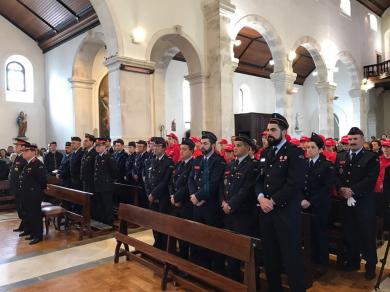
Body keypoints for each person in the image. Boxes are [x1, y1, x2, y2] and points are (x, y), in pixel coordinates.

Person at [255, 113, 306, 292]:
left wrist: (273, 201)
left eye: (273, 130)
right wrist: (261, 198)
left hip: (285, 212)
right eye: (268, 130)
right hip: (266, 211)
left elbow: (295, 183)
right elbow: (259, 180)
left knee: (291, 256)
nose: (269, 133)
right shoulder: (266, 153)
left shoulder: (295, 152)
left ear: (284, 131)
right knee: (270, 256)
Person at [335, 127, 379, 279]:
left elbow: (370, 179)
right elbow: (336, 175)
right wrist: (340, 189)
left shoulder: (371, 157)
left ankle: (370, 266)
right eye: (350, 139)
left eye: (355, 139)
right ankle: (353, 262)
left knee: (367, 235)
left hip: (364, 203)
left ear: (362, 139)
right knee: (350, 233)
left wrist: (352, 190)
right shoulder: (341, 156)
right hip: (345, 202)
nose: (352, 142)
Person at [220, 135, 257, 282]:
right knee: (231, 249)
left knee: (246, 253)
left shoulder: (252, 165)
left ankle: (251, 284)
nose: (235, 148)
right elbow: (222, 186)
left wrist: (231, 205)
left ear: (248, 148)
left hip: (243, 214)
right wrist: (223, 202)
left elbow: (246, 189)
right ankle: (233, 281)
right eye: (234, 145)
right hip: (228, 213)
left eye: (239, 145)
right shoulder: (230, 165)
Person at [188, 130, 226, 273]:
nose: (202, 146)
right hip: (196, 206)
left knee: (212, 240)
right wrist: (193, 195)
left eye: (205, 144)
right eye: (201, 143)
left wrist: (199, 196)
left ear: (213, 145)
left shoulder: (218, 161)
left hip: (211, 207)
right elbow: (191, 179)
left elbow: (213, 183)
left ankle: (215, 272)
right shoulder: (197, 160)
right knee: (199, 239)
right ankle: (201, 270)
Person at [302, 133, 334, 276]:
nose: (308, 150)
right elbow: (299, 184)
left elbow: (326, 188)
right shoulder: (304, 163)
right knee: (307, 234)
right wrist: (301, 199)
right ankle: (311, 260)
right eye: (307, 147)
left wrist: (311, 201)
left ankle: (322, 263)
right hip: (304, 205)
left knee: (320, 234)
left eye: (312, 147)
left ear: (320, 149)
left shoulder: (326, 165)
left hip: (319, 205)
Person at [145, 137, 174, 250]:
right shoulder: (151, 160)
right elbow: (147, 178)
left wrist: (153, 194)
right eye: (153, 145)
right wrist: (148, 193)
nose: (154, 148)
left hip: (163, 198)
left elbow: (165, 181)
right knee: (154, 222)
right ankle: (157, 242)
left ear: (163, 147)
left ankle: (164, 246)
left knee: (163, 223)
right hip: (151, 197)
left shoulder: (168, 162)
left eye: (157, 146)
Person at [169, 138, 194, 259]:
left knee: (186, 233)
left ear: (191, 151)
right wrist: (172, 196)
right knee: (177, 230)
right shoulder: (178, 164)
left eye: (184, 149)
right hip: (175, 203)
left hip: (186, 204)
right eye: (180, 149)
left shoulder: (193, 165)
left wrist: (177, 198)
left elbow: (188, 186)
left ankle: (185, 257)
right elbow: (171, 182)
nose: (181, 152)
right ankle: (179, 254)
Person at [19, 143, 47, 244]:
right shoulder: (29, 163)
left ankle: (38, 236)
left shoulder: (38, 164)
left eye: (26, 151)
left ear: (33, 152)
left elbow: (43, 181)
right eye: (24, 151)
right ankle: (32, 233)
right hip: (27, 194)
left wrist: (36, 192)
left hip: (34, 195)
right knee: (30, 215)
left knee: (35, 215)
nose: (24, 153)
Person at [94, 138, 118, 225]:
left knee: (107, 205)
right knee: (100, 204)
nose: (97, 148)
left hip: (106, 186)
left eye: (99, 146)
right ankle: (102, 221)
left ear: (104, 146)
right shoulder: (97, 157)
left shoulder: (109, 157)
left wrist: (109, 181)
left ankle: (109, 222)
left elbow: (114, 171)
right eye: (96, 146)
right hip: (98, 185)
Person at [9, 138, 28, 233]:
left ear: (22, 147)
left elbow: (24, 175)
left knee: (22, 209)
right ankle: (23, 225)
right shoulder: (18, 157)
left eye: (17, 145)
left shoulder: (24, 159)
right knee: (19, 209)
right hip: (16, 188)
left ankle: (26, 226)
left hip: (21, 189)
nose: (15, 147)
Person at [80, 134, 98, 217]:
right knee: (86, 200)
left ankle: (92, 217)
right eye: (84, 140)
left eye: (86, 141)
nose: (84, 142)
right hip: (85, 180)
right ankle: (88, 216)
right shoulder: (86, 152)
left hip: (91, 181)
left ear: (92, 142)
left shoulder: (94, 153)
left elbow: (94, 168)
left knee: (92, 201)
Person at [375, 140, 390, 230]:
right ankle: (380, 231)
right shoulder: (378, 159)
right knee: (378, 212)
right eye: (384, 147)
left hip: (387, 191)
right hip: (376, 190)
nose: (386, 149)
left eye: (388, 147)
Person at [132, 140, 149, 208]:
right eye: (137, 146)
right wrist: (133, 174)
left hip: (142, 181)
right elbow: (133, 166)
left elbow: (144, 168)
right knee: (138, 200)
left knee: (144, 200)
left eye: (140, 146)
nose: (138, 148)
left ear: (145, 148)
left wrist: (138, 175)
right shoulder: (137, 155)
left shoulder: (147, 156)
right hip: (136, 181)